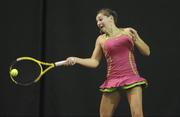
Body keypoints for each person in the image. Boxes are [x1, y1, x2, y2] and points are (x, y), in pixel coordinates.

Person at [65, 8, 150, 117]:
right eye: (97, 21)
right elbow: (94, 61)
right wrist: (76, 59)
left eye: (100, 19)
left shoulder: (127, 32)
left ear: (110, 19)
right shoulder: (100, 39)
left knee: (137, 115)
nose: (98, 23)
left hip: (131, 77)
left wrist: (137, 38)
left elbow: (147, 52)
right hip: (112, 80)